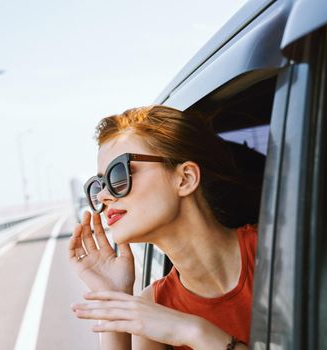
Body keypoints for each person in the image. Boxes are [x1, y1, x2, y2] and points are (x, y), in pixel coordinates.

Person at [68, 105, 258, 350]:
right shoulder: (155, 306)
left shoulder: (277, 250)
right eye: (99, 185)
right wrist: (114, 298)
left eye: (119, 176)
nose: (104, 195)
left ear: (185, 178)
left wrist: (195, 332)